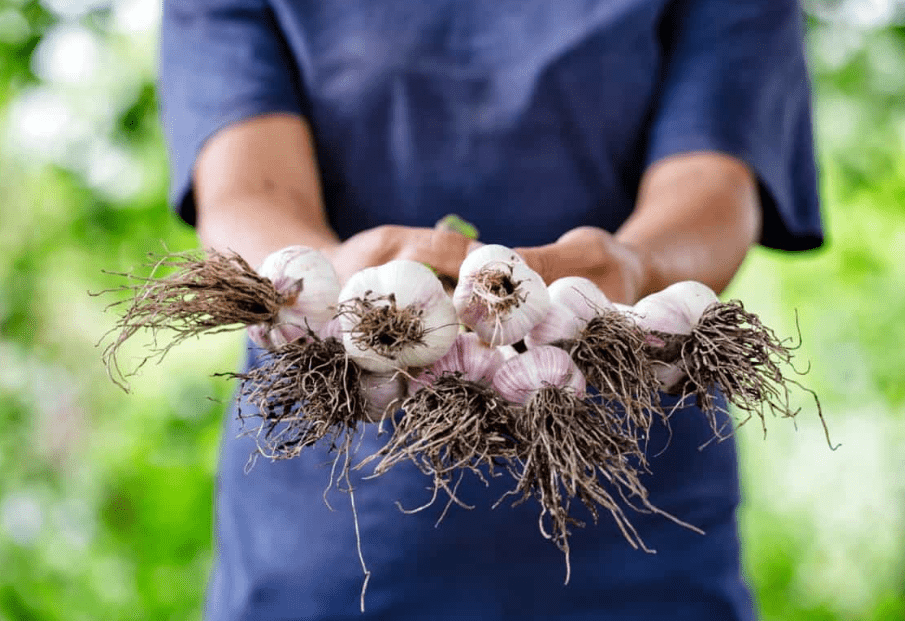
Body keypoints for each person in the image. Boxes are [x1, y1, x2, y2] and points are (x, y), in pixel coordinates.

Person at [159, 0, 823, 618]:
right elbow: (244, 188)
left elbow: (714, 184)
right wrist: (321, 283)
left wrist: (637, 266)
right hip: (324, 539)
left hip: (639, 524)